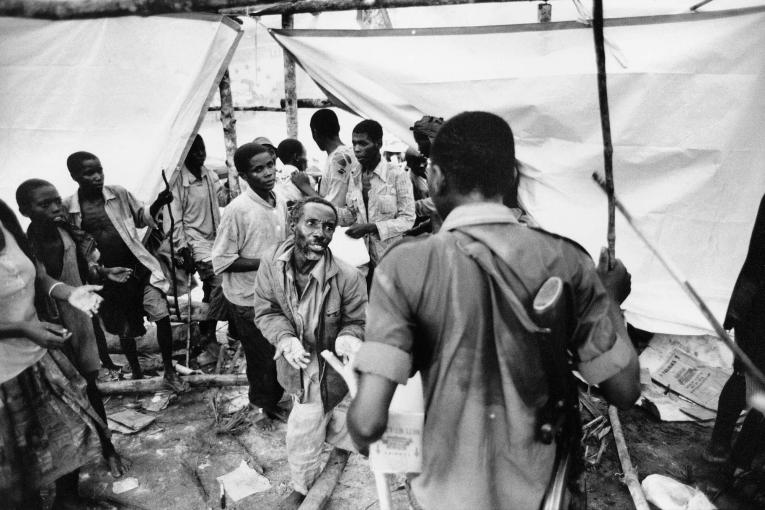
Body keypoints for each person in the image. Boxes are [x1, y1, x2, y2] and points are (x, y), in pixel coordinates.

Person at [347, 111, 640, 510]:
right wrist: (611, 301)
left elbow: (366, 425)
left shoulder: (404, 267)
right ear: (513, 178)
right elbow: (623, 391)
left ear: (434, 178)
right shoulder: (568, 261)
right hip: (543, 495)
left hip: (446, 497)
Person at [253, 197, 366, 509]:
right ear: (293, 226)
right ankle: (332, 456)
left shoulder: (348, 276)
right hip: (293, 365)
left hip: (327, 369)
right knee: (314, 419)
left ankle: (303, 489)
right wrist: (285, 339)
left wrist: (348, 337)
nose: (321, 233)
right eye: (312, 223)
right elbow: (267, 311)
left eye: (329, 227)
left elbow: (358, 321)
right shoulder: (271, 263)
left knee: (303, 431)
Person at [0, 198, 113, 509]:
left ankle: (67, 499)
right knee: (14, 463)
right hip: (4, 374)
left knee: (70, 431)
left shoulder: (5, 221)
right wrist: (22, 328)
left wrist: (69, 292)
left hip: (36, 358)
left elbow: (35, 276)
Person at [17, 178, 133, 479]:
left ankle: (108, 448)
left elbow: (82, 269)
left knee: (90, 385)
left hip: (80, 321)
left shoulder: (68, 234)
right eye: (45, 204)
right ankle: (71, 464)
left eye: (57, 200)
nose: (56, 208)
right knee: (62, 394)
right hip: (48, 327)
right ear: (24, 210)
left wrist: (105, 271)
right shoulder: (24, 248)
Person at [63, 151, 188, 392]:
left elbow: (142, 218)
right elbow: (77, 251)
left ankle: (170, 372)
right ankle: (137, 372)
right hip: (108, 278)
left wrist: (159, 203)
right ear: (75, 176)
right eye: (90, 173)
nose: (98, 176)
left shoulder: (118, 194)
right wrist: (102, 271)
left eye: (99, 170)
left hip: (139, 268)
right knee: (124, 328)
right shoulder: (70, 209)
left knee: (161, 315)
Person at [212, 143, 289, 430]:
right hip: (247, 298)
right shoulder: (238, 210)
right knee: (260, 357)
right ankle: (259, 406)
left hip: (275, 293)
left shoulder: (277, 199)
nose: (268, 173)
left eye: (270, 164)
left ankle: (271, 400)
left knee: (276, 351)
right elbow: (221, 260)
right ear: (244, 175)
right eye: (259, 169)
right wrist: (267, 261)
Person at [705, 192, 765, 469]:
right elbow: (756, 262)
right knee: (745, 373)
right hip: (759, 307)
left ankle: (744, 455)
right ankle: (720, 440)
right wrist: (739, 308)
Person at [169, 134, 231, 349]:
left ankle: (205, 330)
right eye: (195, 151)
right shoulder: (178, 183)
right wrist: (183, 249)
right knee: (220, 282)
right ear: (184, 154)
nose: (200, 154)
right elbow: (175, 219)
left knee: (209, 288)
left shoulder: (208, 174)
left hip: (216, 240)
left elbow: (223, 198)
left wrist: (232, 182)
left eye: (202, 149)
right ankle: (209, 333)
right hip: (196, 242)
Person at [337, 119, 415, 284]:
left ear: (378, 144)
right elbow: (351, 214)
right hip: (359, 263)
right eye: (354, 144)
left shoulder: (397, 175)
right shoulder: (354, 175)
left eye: (363, 144)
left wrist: (372, 227)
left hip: (388, 260)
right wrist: (323, 209)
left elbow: (408, 219)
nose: (357, 149)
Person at [290, 109, 355, 208]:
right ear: (338, 128)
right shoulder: (343, 153)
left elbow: (335, 206)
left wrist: (304, 186)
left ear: (315, 133)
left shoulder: (339, 157)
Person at [275, 138, 312, 205]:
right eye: (305, 155)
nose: (307, 160)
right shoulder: (306, 179)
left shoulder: (273, 178)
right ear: (297, 157)